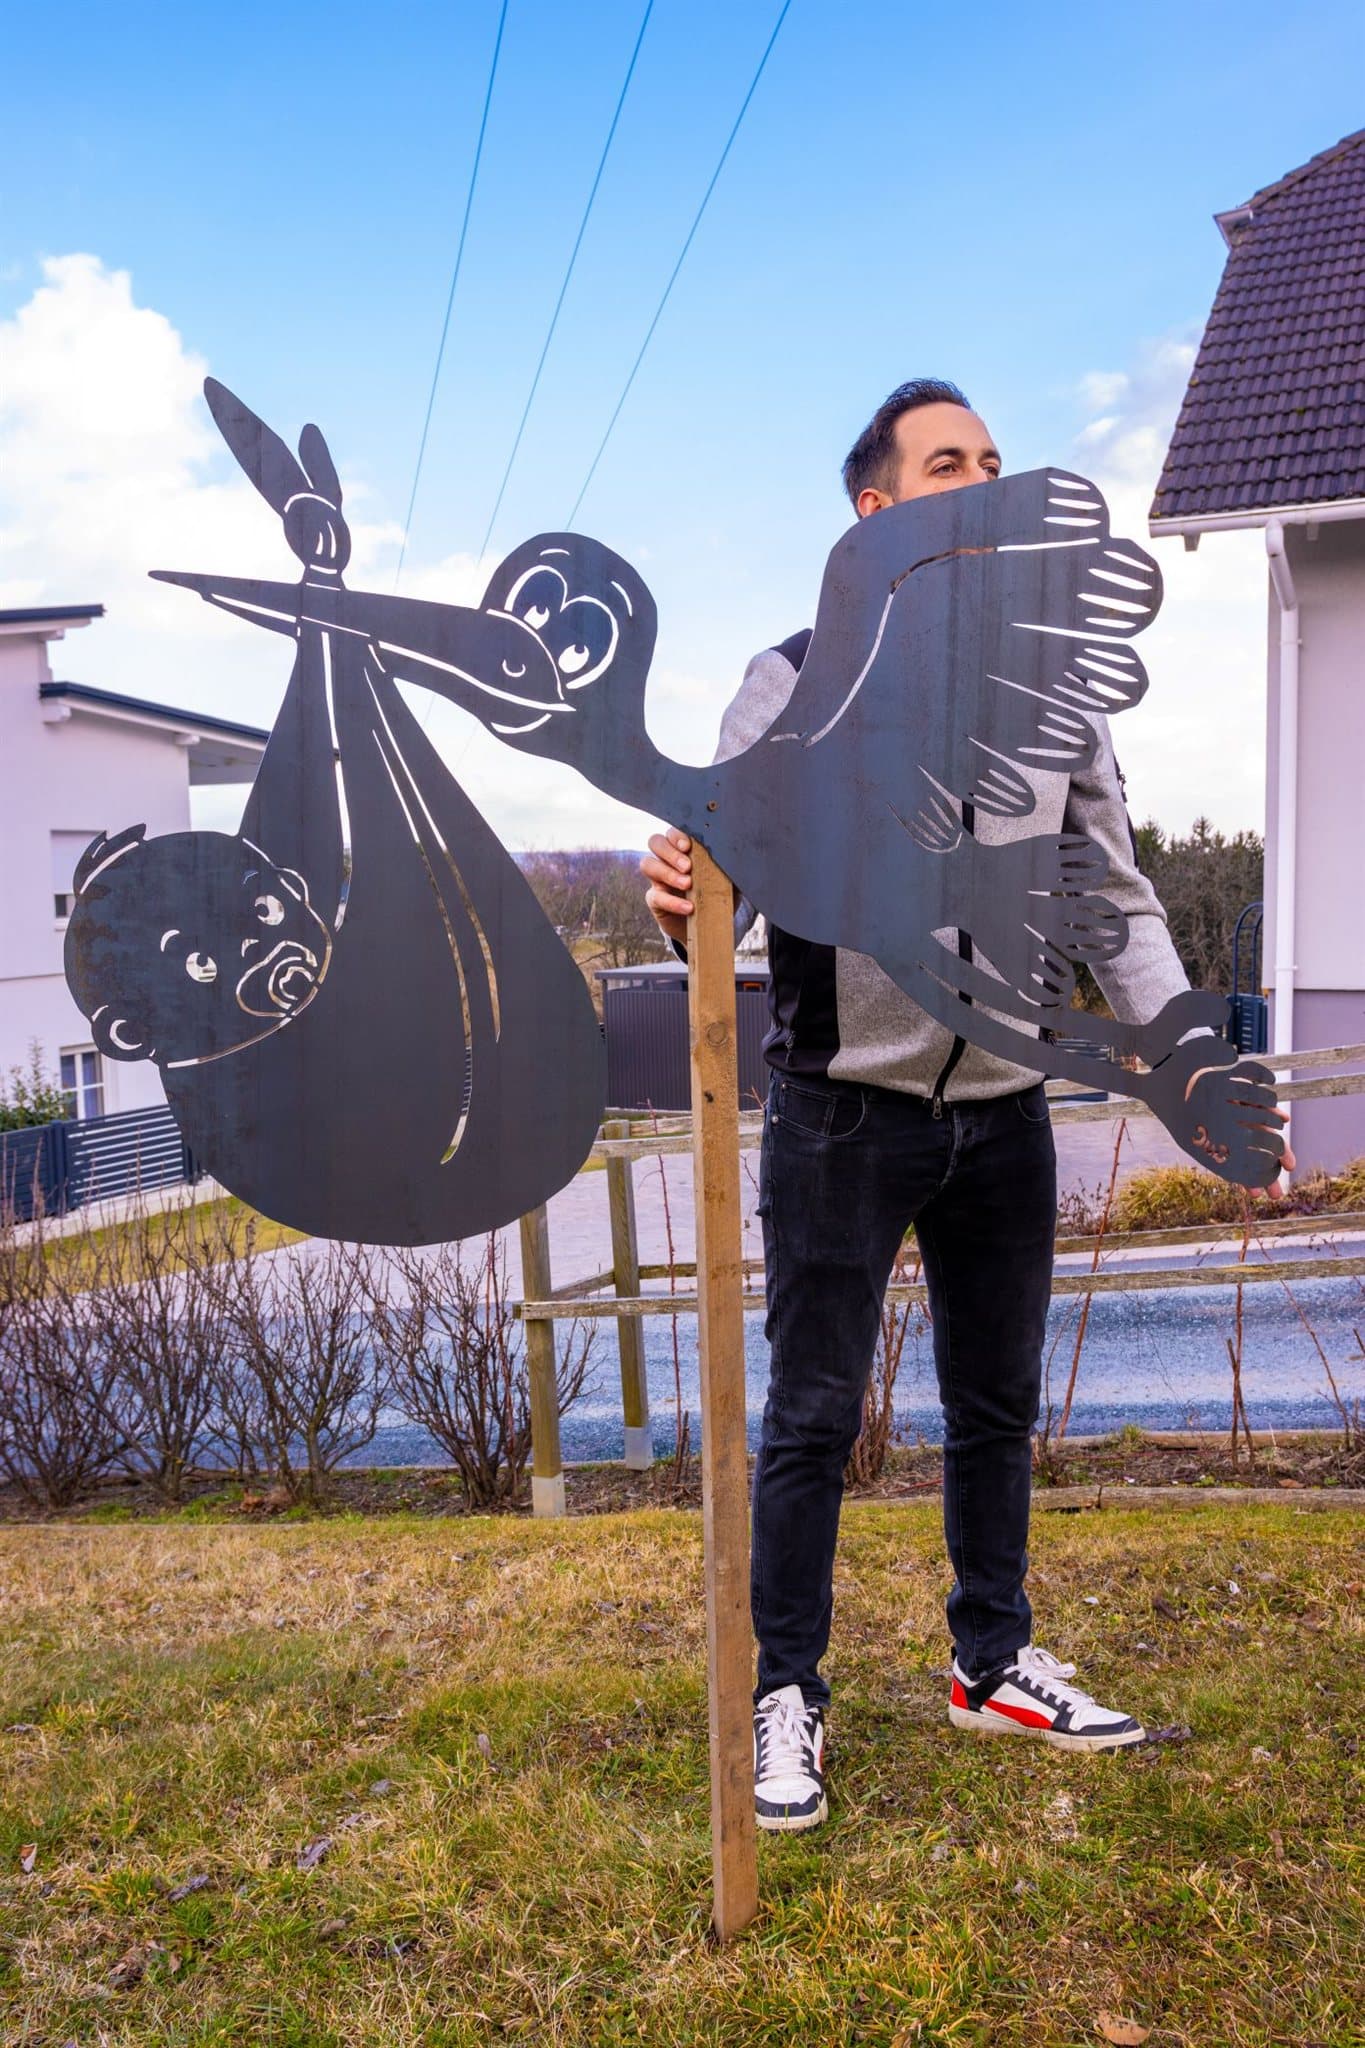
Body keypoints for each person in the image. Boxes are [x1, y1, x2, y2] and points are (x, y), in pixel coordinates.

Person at [641, 379, 1291, 1832]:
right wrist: (685, 895)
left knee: (996, 1405)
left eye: (995, 461)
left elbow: (1113, 893)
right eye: (952, 465)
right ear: (876, 511)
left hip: (1005, 1110)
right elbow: (722, 877)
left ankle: (989, 1662)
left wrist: (1186, 1056)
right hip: (841, 1113)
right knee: (812, 1418)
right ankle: (785, 1693)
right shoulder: (793, 679)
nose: (986, 483)